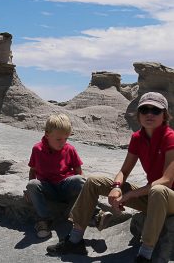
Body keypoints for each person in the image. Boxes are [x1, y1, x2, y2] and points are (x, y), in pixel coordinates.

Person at [46, 92, 174, 262]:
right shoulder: (138, 137)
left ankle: (145, 255)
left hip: (168, 198)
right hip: (151, 196)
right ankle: (75, 240)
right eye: (144, 109)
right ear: (138, 114)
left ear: (164, 115)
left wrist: (128, 195)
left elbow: (166, 180)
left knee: (158, 189)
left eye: (156, 111)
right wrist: (116, 186)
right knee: (94, 180)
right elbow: (124, 170)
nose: (149, 114)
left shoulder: (170, 137)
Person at [25, 113, 112, 239]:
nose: (63, 143)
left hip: (65, 186)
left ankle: (96, 215)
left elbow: (78, 171)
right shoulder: (37, 149)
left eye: (66, 139)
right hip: (48, 188)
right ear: (47, 135)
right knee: (32, 184)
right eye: (59, 139)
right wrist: (29, 191)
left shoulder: (69, 149)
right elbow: (32, 170)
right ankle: (44, 220)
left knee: (80, 180)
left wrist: (81, 190)